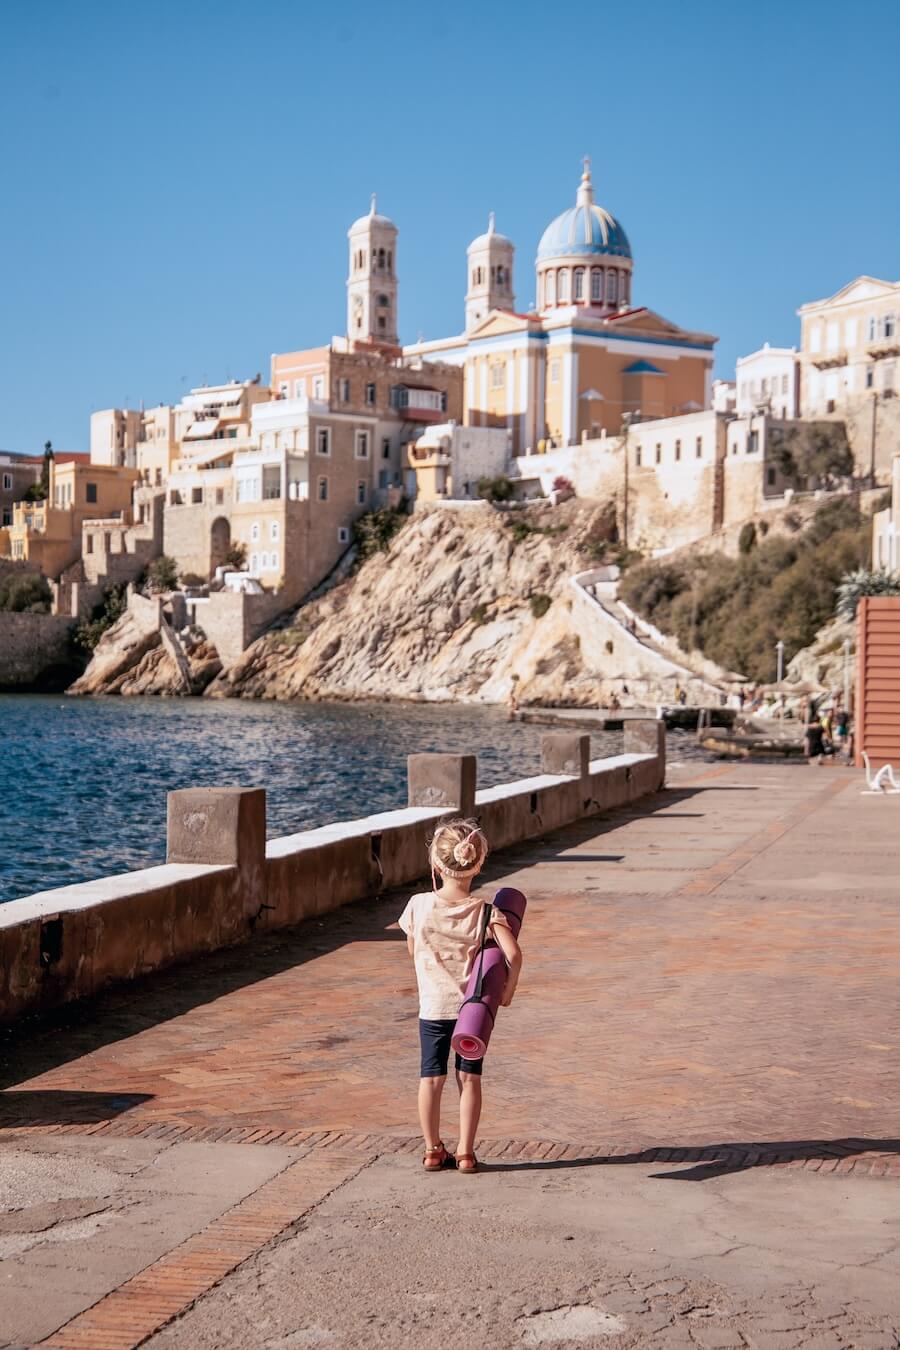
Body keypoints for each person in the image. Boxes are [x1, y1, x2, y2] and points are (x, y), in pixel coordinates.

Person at [397, 820, 523, 1175]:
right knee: (469, 1079)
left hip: (432, 1007)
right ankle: (466, 1153)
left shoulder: (417, 906)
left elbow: (412, 949)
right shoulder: (486, 912)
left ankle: (433, 1150)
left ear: (436, 865)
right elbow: (513, 955)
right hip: (472, 1011)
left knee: (431, 1078)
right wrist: (506, 993)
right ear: (478, 864)